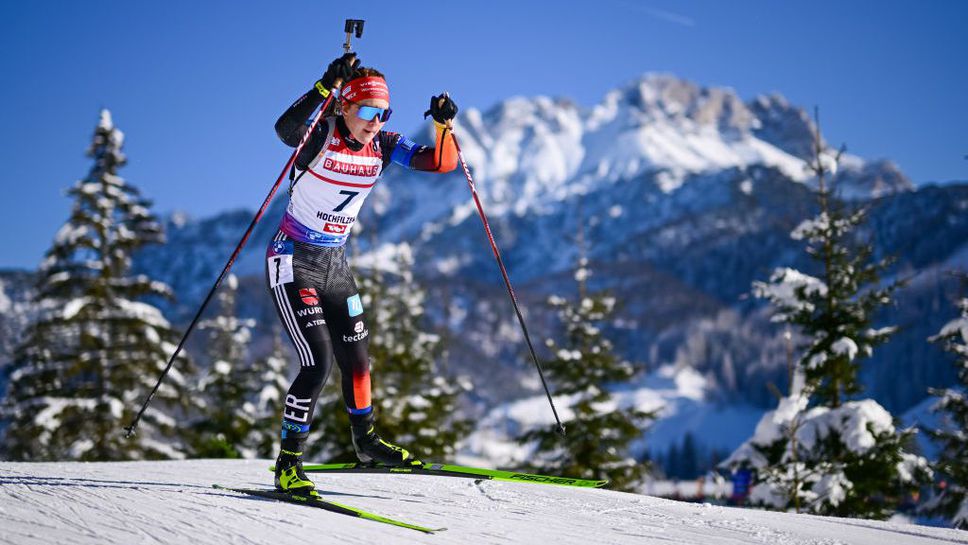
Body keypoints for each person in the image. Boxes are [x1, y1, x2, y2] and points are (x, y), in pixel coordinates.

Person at [266, 53, 459, 495]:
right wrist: (323, 85)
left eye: (383, 113)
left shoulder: (384, 144)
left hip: (335, 264)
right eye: (368, 111)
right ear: (346, 107)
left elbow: (439, 163)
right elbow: (285, 132)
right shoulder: (321, 134)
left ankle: (366, 442)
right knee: (317, 363)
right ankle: (288, 464)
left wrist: (444, 125)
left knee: (357, 360)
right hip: (293, 259)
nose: (376, 121)